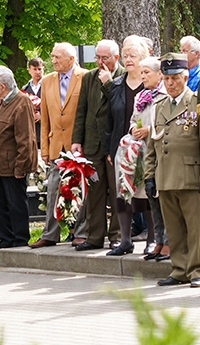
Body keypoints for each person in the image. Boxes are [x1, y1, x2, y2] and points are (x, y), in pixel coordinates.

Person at [145, 54, 200, 287]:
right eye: (166, 79)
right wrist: (149, 175)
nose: (170, 83)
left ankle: (199, 270)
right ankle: (179, 269)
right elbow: (153, 145)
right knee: (174, 228)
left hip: (190, 175)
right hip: (165, 176)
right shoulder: (159, 106)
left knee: (196, 228)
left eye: (175, 78)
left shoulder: (197, 104)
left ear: (186, 77)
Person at [30, 42, 87, 248]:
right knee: (53, 189)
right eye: (52, 56)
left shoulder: (85, 77)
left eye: (57, 57)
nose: (52, 60)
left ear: (71, 59)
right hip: (56, 145)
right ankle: (50, 234)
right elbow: (44, 118)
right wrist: (44, 149)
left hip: (78, 145)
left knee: (79, 190)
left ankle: (81, 232)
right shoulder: (47, 81)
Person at [71, 39, 123, 251]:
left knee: (117, 190)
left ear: (115, 58)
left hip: (114, 143)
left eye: (105, 58)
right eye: (98, 57)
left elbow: (118, 106)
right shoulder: (89, 77)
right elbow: (81, 110)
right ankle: (95, 236)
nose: (100, 62)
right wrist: (77, 140)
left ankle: (118, 235)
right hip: (93, 142)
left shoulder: (122, 76)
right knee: (95, 191)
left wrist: (108, 82)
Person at [103, 36, 150, 256]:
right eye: (126, 56)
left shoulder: (150, 84)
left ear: (144, 58)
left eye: (133, 56)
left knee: (146, 194)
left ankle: (153, 238)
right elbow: (109, 120)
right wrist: (110, 150)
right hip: (121, 149)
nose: (128, 59)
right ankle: (125, 240)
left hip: (146, 148)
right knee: (122, 195)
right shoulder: (116, 84)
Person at [121, 56, 168, 260]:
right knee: (152, 200)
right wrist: (134, 129)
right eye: (141, 73)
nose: (143, 76)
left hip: (163, 154)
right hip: (145, 155)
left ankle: (167, 242)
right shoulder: (141, 96)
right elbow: (133, 120)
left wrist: (150, 130)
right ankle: (158, 241)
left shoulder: (165, 95)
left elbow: (169, 123)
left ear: (159, 74)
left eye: (147, 72)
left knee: (165, 200)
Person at [0, 66, 37, 249]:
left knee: (15, 205)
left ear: (2, 85)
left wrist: (21, 167)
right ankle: (5, 241)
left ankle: (19, 241)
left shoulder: (21, 102)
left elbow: (25, 139)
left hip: (12, 167)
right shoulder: (1, 101)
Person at [21, 57, 44, 146]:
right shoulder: (25, 89)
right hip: (30, 131)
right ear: (29, 70)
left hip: (46, 130)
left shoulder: (49, 85)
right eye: (34, 69)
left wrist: (42, 115)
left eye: (39, 69)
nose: (37, 72)